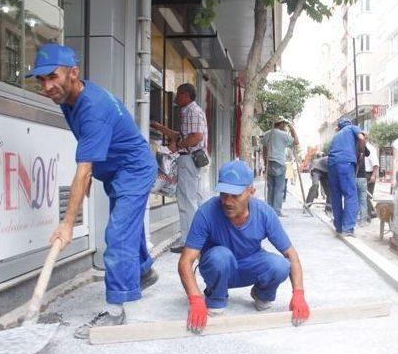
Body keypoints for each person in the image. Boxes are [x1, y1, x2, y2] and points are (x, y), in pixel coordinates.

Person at [27, 43, 158, 337]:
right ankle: (143, 270)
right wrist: (85, 184)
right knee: (128, 227)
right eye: (42, 80)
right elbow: (87, 160)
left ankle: (115, 312)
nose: (47, 86)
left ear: (73, 73)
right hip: (117, 171)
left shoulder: (93, 109)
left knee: (117, 234)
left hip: (134, 170)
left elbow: (84, 169)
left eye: (53, 77)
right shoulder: (68, 98)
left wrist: (67, 223)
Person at [178, 160, 310, 333]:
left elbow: (291, 255)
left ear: (251, 192)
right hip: (219, 268)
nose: (227, 201)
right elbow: (185, 262)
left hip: (250, 266)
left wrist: (298, 294)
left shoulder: (264, 213)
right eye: (224, 194)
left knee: (280, 265)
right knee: (220, 256)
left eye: (235, 195)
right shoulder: (206, 213)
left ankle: (261, 295)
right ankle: (216, 298)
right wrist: (195, 300)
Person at [150, 83, 207, 254]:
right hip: (189, 159)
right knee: (193, 199)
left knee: (186, 201)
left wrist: (179, 145)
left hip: (189, 159)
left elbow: (196, 137)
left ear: (187, 95)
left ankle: (189, 243)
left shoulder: (193, 111)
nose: (175, 97)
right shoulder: (188, 112)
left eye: (178, 94)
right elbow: (180, 135)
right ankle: (197, 239)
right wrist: (159, 127)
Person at [328, 118, 366, 236]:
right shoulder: (351, 128)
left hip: (332, 164)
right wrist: (360, 152)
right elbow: (361, 137)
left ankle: (339, 226)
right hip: (345, 163)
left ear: (338, 127)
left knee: (336, 195)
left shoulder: (336, 136)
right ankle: (348, 227)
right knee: (351, 194)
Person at [262, 117, 298, 216]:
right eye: (285, 125)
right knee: (279, 188)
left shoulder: (266, 134)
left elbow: (264, 150)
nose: (285, 127)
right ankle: (276, 211)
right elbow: (296, 142)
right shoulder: (283, 135)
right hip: (279, 163)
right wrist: (292, 129)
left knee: (271, 187)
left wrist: (265, 163)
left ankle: (270, 210)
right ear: (281, 124)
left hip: (269, 162)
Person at [364, 142, 380, 219]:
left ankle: (368, 215)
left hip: (369, 174)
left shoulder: (370, 148)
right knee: (365, 196)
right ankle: (368, 213)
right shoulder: (362, 147)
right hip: (364, 174)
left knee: (367, 196)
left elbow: (376, 164)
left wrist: (373, 175)